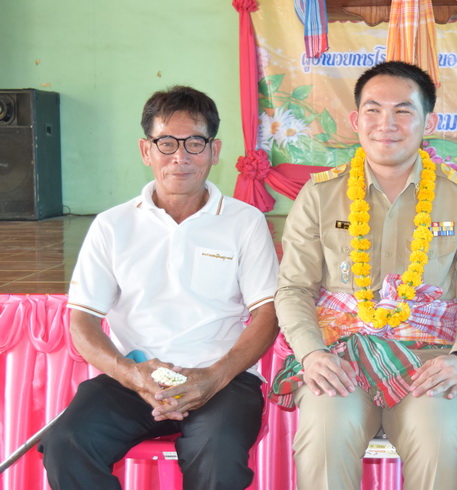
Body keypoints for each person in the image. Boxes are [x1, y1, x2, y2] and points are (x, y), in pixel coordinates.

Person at [271, 61, 457, 489]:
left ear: (428, 122)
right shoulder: (319, 194)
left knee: (442, 443)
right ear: (355, 120)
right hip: (338, 356)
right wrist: (311, 353)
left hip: (428, 359)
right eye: (373, 110)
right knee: (323, 438)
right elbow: (294, 289)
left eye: (403, 111)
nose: (386, 124)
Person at [39, 85, 279, 489]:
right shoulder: (112, 225)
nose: (180, 157)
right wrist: (132, 375)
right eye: (166, 143)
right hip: (133, 378)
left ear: (215, 151)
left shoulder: (245, 222)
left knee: (218, 457)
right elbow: (82, 321)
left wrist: (213, 377)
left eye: (195, 143)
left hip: (222, 379)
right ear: (145, 150)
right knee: (67, 443)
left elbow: (268, 314)